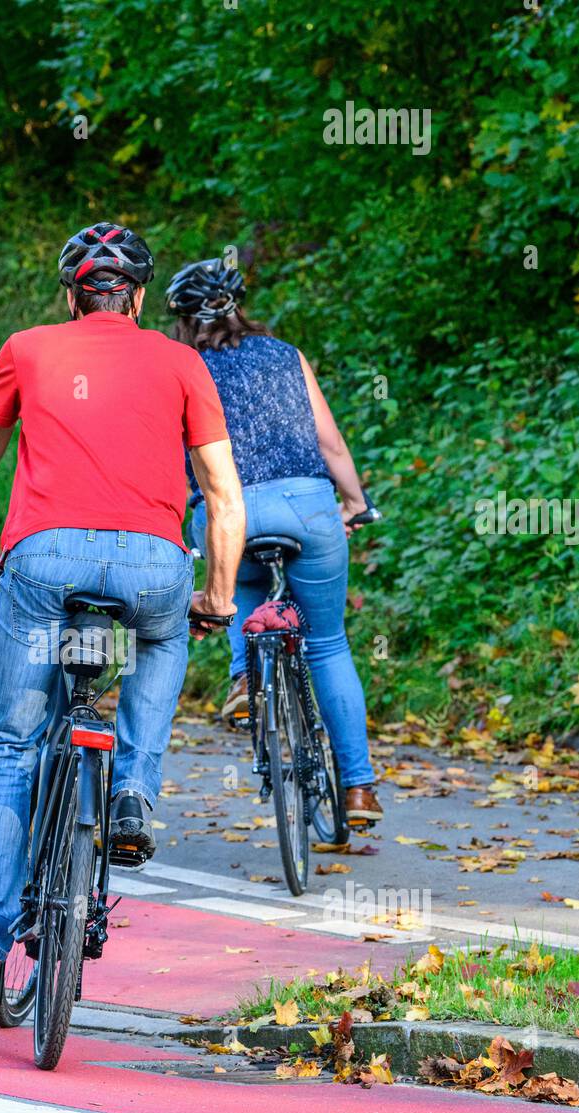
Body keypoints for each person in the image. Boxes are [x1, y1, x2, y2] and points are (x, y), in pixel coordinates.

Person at [0, 224, 245, 999]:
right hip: (151, 564)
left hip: (41, 560)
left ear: (68, 294)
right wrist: (216, 592)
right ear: (139, 296)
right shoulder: (180, 361)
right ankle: (134, 787)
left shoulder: (29, 348)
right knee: (163, 637)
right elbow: (220, 491)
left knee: (10, 743)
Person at [166, 257, 382, 825]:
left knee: (236, 586)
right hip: (306, 507)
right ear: (239, 305)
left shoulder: (181, 369)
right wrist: (356, 503)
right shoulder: (287, 356)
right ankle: (358, 790)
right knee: (329, 643)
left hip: (225, 510)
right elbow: (330, 444)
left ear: (184, 320)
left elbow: (173, 459)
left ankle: (243, 679)